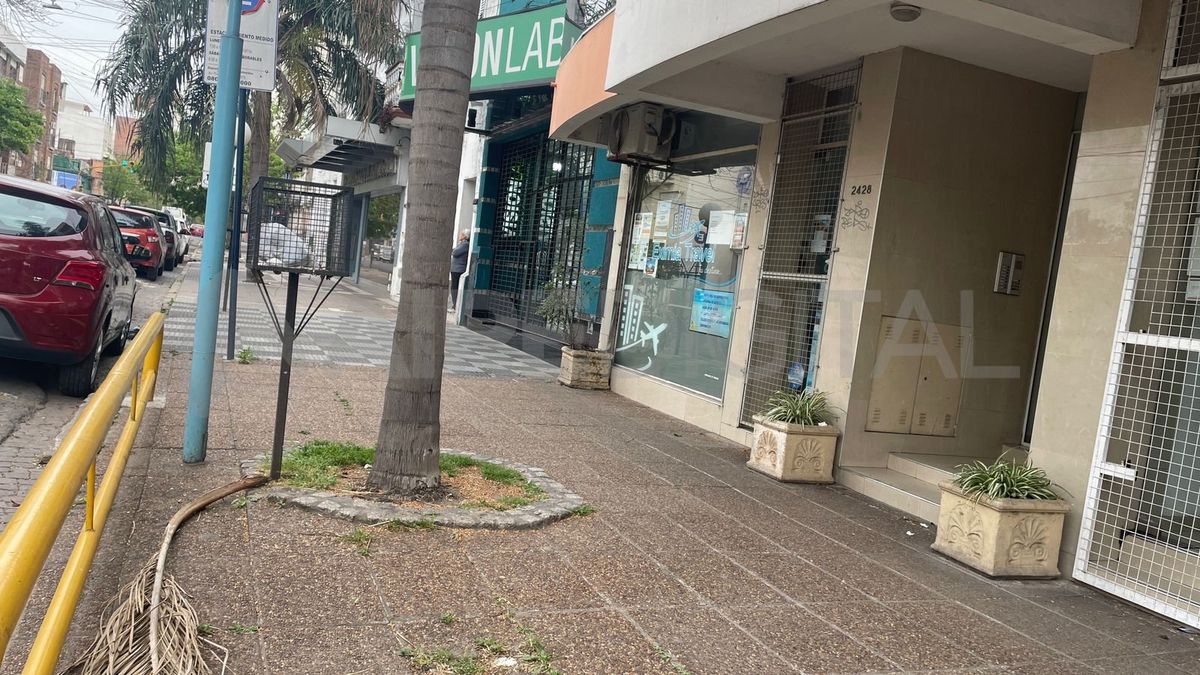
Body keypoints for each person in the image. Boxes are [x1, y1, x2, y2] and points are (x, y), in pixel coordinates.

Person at [449, 229, 469, 312]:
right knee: (454, 286)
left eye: (461, 234)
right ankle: (454, 304)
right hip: (455, 269)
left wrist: (453, 250)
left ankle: (455, 305)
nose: (459, 235)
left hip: (458, 269)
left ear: (464, 236)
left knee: (455, 287)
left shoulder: (465, 244)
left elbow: (455, 252)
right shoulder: (461, 244)